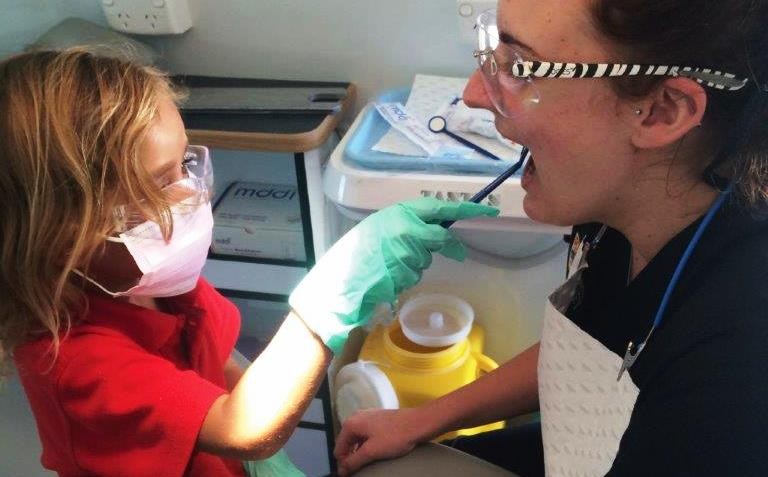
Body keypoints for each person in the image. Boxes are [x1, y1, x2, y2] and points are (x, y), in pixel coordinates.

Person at [0, 49, 497, 477]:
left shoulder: (157, 286)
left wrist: (259, 435)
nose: (192, 193)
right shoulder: (71, 359)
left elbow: (218, 358)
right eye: (159, 182)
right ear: (60, 232)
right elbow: (245, 429)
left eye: (185, 166)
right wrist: (333, 293)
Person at [334, 0, 768, 476]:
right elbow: (590, 347)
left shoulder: (737, 373)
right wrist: (422, 419)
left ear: (661, 111)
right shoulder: (623, 203)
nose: (475, 94)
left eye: (520, 68)